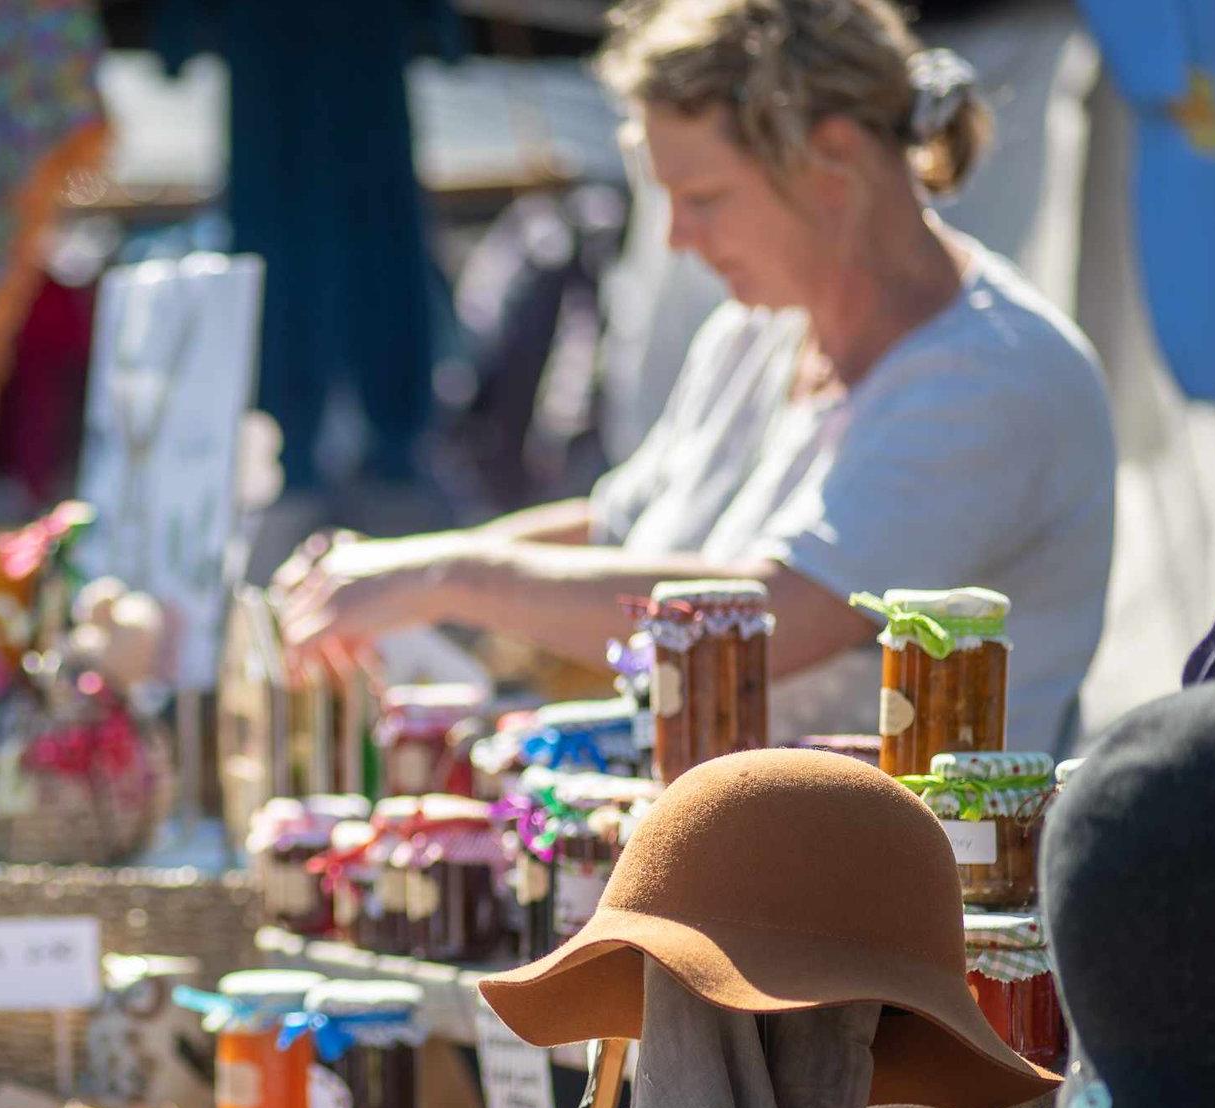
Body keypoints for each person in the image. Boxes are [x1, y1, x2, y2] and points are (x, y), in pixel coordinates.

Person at [271, 0, 1116, 755]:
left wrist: (442, 578)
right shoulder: (757, 333)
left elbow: (766, 619)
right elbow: (617, 531)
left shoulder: (996, 379)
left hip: (904, 911)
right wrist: (396, 571)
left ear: (834, 160)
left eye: (703, 197)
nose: (677, 236)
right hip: (738, 876)